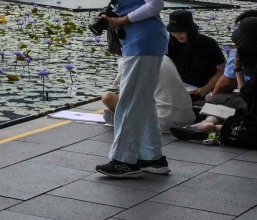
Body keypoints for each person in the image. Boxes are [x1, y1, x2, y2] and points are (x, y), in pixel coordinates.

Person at [86, 0, 169, 178]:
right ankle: (153, 158)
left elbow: (155, 4)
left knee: (129, 103)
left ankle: (124, 161)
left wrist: (120, 21)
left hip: (142, 41)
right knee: (141, 101)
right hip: (141, 41)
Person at [172, 17, 257, 148]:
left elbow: (233, 86)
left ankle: (211, 127)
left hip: (250, 116)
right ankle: (208, 124)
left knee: (218, 98)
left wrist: (238, 69)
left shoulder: (242, 54)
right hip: (250, 103)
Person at [100, 57, 194, 133]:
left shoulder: (128, 59)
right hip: (188, 119)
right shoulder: (165, 58)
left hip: (159, 122)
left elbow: (125, 97)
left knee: (107, 96)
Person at [166, 10, 225, 97]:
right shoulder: (171, 44)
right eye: (174, 32)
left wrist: (205, 89)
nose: (177, 36)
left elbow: (222, 70)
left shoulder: (208, 44)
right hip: (181, 87)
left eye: (181, 32)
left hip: (205, 88)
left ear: (190, 30)